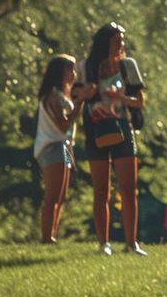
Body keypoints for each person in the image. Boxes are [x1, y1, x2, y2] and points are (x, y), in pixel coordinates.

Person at [77, 23, 148, 256]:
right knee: (101, 189)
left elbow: (140, 101)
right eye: (117, 40)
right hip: (96, 129)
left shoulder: (129, 66)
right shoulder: (86, 67)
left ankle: (132, 242)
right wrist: (85, 94)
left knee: (128, 188)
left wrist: (120, 97)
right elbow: (74, 94)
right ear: (104, 42)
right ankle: (103, 243)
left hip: (123, 127)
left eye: (122, 41)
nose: (121, 45)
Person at [34, 54, 85, 244]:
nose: (73, 73)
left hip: (62, 146)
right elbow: (62, 125)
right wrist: (80, 102)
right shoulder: (52, 97)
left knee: (61, 196)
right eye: (70, 69)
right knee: (52, 195)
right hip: (51, 147)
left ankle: (52, 234)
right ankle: (47, 237)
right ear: (60, 72)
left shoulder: (63, 95)